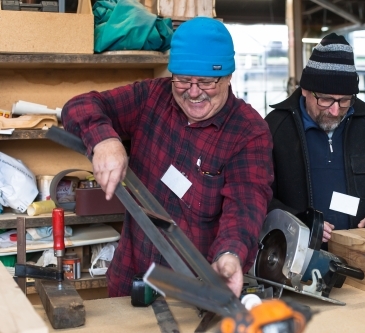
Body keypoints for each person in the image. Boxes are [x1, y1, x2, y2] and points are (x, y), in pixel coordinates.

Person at [61, 17, 274, 297]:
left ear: (228, 76)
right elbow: (78, 106)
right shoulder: (152, 97)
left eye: (206, 82)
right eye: (183, 80)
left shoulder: (249, 132)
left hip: (192, 292)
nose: (194, 92)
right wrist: (104, 140)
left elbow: (245, 205)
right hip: (131, 277)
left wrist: (230, 254)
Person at [265, 33, 365, 245]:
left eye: (345, 100)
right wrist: (298, 223)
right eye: (326, 99)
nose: (336, 110)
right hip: (296, 254)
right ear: (305, 90)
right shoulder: (275, 128)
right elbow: (257, 194)